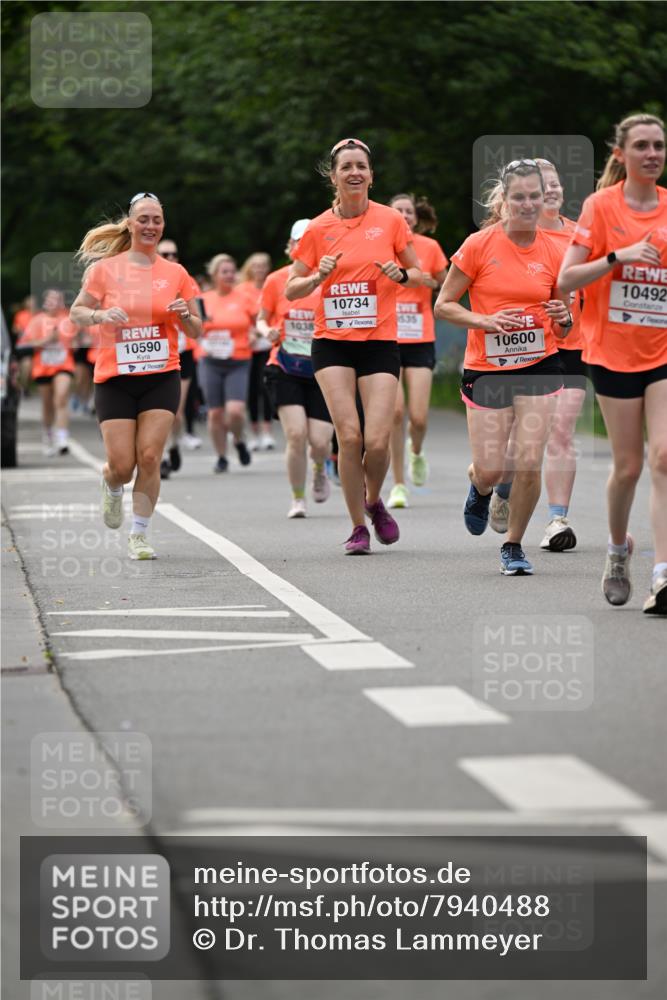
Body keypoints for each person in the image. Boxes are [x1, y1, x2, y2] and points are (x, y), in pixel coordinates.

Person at [435, 158, 573, 575]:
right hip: (488, 367)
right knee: (493, 468)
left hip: (540, 363)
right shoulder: (479, 245)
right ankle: (479, 488)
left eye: (535, 196)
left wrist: (563, 318)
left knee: (529, 461)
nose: (529, 204)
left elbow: (564, 324)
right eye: (519, 197)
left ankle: (513, 545)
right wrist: (484, 321)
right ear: (504, 199)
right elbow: (444, 305)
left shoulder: (555, 250)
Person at [286, 138, 421, 554]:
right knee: (349, 436)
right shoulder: (316, 229)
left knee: (377, 441)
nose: (355, 173)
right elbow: (292, 288)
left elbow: (419, 274)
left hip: (379, 340)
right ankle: (358, 526)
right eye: (346, 167)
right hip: (332, 344)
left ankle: (373, 499)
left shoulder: (391, 222)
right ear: (334, 176)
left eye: (361, 165)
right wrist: (315, 278)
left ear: (371, 174)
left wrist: (399, 275)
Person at [559, 113, 667, 615]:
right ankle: (618, 551)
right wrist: (617, 257)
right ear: (621, 154)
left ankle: (663, 575)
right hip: (613, 352)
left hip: (662, 352)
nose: (653, 154)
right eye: (642, 145)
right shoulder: (600, 207)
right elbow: (566, 281)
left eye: (659, 146)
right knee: (628, 466)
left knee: (664, 458)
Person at [70, 192, 202, 560]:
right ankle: (111, 485)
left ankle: (139, 535)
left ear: (163, 225)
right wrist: (100, 316)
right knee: (123, 466)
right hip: (115, 378)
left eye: (157, 220)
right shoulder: (105, 270)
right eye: (143, 219)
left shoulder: (175, 273)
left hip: (161, 374)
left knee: (149, 456)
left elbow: (196, 331)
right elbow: (77, 312)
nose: (150, 226)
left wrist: (184, 316)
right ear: (130, 223)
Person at [488, 158, 588, 551]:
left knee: (561, 430)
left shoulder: (581, 237)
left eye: (556, 184)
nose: (551, 191)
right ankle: (503, 486)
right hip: (524, 347)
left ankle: (556, 519)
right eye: (542, 185)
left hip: (572, 344)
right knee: (522, 436)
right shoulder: (508, 237)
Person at [258, 219, 333, 518]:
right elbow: (261, 318)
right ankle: (297, 498)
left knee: (319, 441)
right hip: (284, 365)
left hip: (323, 368)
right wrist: (267, 332)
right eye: (298, 243)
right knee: (297, 435)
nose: (303, 248)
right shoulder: (276, 280)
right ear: (290, 247)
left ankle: (319, 468)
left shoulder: (330, 278)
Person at [386, 193, 449, 508]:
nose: (405, 215)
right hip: (387, 338)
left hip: (421, 338)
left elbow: (447, 285)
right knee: (395, 413)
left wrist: (429, 282)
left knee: (419, 418)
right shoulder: (380, 245)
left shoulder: (429, 248)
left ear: (415, 217)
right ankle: (398, 484)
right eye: (398, 210)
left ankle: (416, 451)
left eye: (409, 211)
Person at [199, 254, 256, 472]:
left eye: (233, 271)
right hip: (210, 361)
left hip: (238, 360)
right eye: (225, 271)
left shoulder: (243, 298)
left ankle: (239, 440)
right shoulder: (203, 300)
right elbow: (195, 328)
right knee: (215, 413)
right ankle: (221, 456)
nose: (230, 276)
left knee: (235, 411)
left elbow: (259, 321)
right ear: (214, 275)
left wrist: (255, 334)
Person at [156, 238, 202, 477]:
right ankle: (163, 456)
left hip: (182, 354)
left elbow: (200, 318)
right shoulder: (147, 280)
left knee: (176, 411)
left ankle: (173, 444)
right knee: (162, 411)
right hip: (156, 354)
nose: (171, 258)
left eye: (174, 254)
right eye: (165, 254)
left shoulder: (186, 280)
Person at [20, 289, 76, 455]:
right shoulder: (36, 321)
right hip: (43, 367)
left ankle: (62, 437)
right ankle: (48, 435)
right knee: (47, 404)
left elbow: (78, 340)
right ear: (45, 303)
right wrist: (46, 341)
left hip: (63, 365)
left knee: (61, 398)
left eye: (57, 299)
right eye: (51, 300)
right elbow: (25, 344)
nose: (54, 303)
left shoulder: (68, 319)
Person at [237, 252, 275, 451]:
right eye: (256, 266)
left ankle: (267, 431)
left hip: (266, 343)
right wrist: (250, 330)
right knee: (250, 390)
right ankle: (254, 432)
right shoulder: (242, 290)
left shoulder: (272, 286)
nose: (259, 269)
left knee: (265, 387)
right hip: (248, 344)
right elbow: (238, 316)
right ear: (249, 268)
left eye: (263, 265)